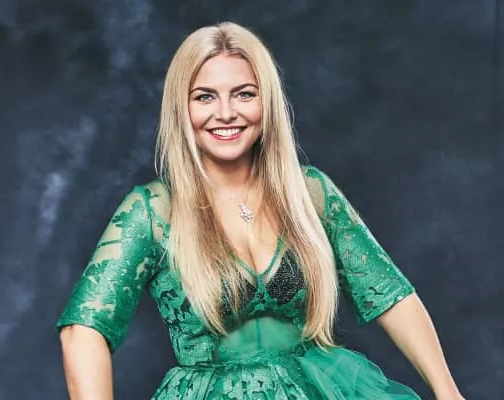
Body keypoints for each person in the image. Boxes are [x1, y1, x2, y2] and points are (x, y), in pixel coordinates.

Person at [56, 22, 464, 399]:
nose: (226, 113)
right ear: (181, 109)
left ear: (266, 102)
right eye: (205, 97)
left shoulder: (309, 193)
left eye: (244, 94)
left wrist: (449, 394)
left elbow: (391, 294)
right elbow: (83, 329)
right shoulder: (153, 211)